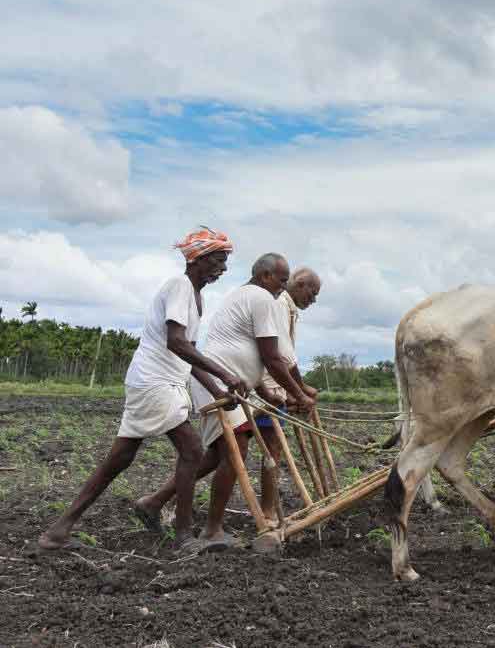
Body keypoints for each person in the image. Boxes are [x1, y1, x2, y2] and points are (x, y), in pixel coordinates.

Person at [39, 227, 247, 550]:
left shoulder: (196, 297)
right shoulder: (179, 286)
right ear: (197, 259)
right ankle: (184, 536)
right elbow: (176, 342)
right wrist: (225, 374)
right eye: (218, 260)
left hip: (160, 381)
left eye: (224, 261)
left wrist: (218, 390)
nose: (223, 268)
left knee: (120, 457)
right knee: (193, 451)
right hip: (155, 381)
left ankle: (57, 532)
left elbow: (189, 354)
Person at [136, 252, 313, 551]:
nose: (284, 287)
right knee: (235, 452)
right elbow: (273, 357)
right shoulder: (261, 298)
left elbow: (247, 352)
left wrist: (264, 391)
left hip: (228, 383)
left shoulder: (244, 296)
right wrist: (299, 394)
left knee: (218, 455)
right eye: (282, 280)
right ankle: (212, 529)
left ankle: (154, 502)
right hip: (218, 384)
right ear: (265, 276)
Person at [251, 267, 321, 519]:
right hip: (266, 388)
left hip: (271, 385)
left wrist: (298, 390)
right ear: (300, 284)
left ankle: (268, 510)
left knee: (268, 446)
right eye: (312, 294)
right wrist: (300, 390)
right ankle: (268, 513)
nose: (313, 300)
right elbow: (282, 355)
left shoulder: (287, 307)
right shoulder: (280, 304)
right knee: (270, 447)